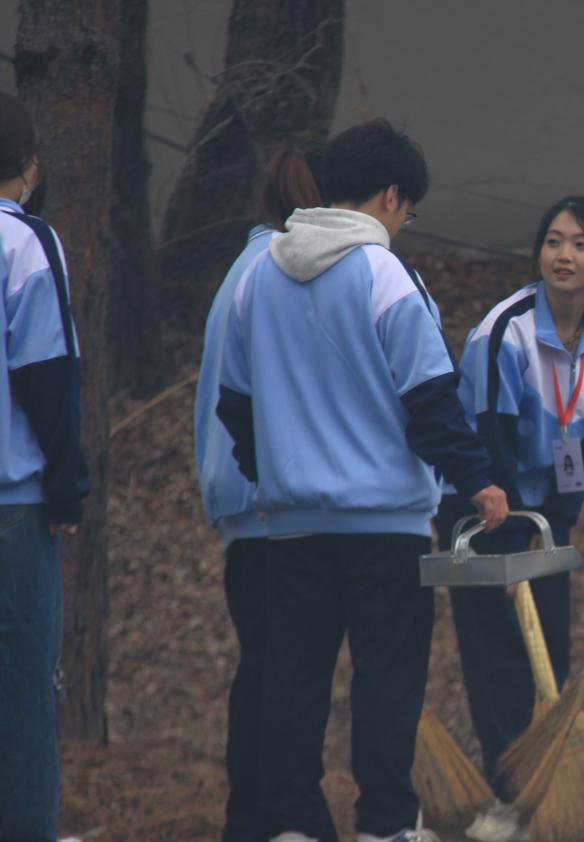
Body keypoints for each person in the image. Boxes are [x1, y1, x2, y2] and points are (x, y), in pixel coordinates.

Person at [216, 119, 509, 842]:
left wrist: (269, 472)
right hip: (385, 523)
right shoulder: (383, 274)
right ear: (390, 196)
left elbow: (234, 403)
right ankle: (385, 824)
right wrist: (477, 479)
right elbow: (430, 396)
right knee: (387, 678)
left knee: (294, 678)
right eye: (409, 210)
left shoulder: (259, 276)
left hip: (290, 525)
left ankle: (293, 824)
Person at [434, 196, 584, 842]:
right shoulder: (507, 330)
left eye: (580, 243)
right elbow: (488, 440)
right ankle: (505, 804)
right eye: (553, 241)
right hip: (479, 506)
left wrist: (557, 513)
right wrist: (512, 528)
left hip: (543, 509)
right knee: (498, 657)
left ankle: (537, 792)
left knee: (549, 654)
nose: (563, 255)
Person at [194, 144, 322, 842]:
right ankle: (268, 819)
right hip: (270, 502)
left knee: (263, 667)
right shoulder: (280, 274)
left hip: (240, 499)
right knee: (280, 673)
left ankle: (253, 817)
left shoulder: (241, 271)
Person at [0, 91, 91, 842]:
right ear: (26, 162)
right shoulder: (24, 243)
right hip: (13, 506)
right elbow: (46, 374)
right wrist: (67, 484)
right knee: (25, 682)